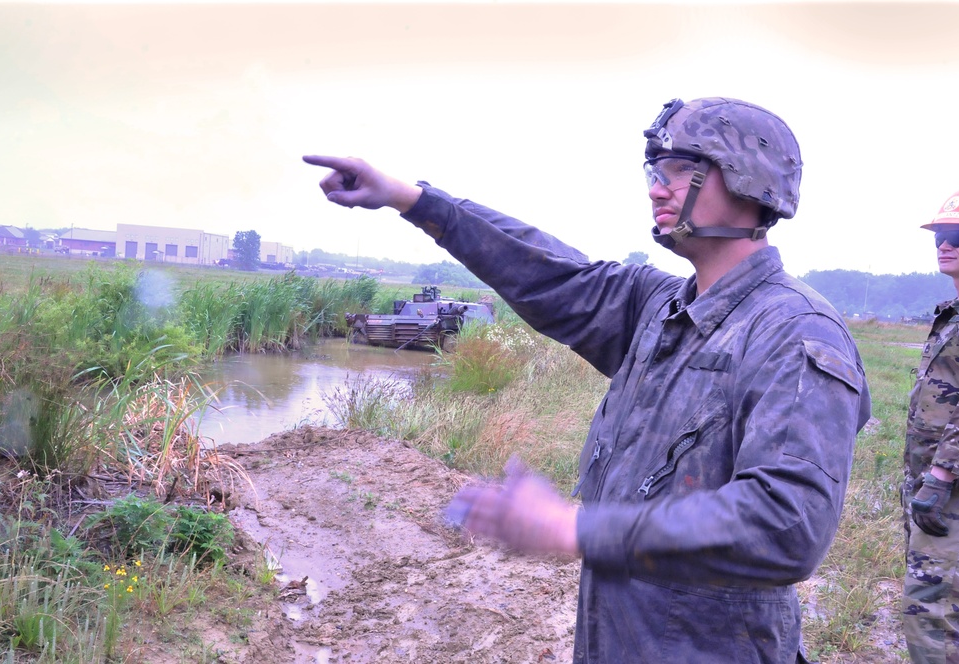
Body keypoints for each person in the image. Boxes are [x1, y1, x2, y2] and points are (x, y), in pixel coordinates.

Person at [302, 96, 871, 663]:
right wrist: (411, 199)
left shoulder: (795, 332)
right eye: (656, 170)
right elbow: (550, 273)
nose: (657, 188)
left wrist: (574, 528)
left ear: (749, 182)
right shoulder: (660, 305)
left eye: (680, 169)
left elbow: (785, 526)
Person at [903, 185, 959, 664]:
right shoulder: (957, 312)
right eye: (938, 235)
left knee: (935, 617)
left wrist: (942, 476)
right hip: (938, 488)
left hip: (955, 492)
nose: (944, 243)